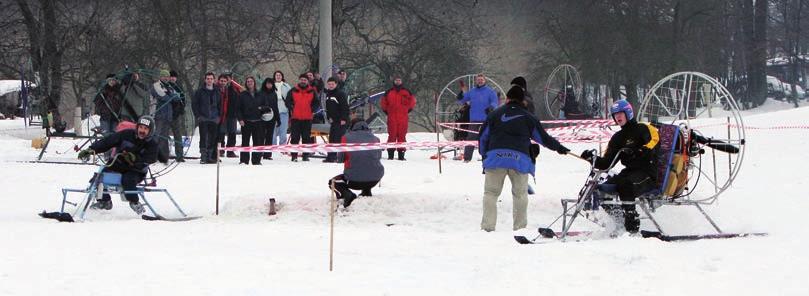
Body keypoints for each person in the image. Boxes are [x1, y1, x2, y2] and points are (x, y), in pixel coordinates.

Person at [478, 86, 569, 232]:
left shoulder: (494, 115)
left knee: (490, 193)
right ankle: (520, 228)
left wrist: (484, 155)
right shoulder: (529, 117)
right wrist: (559, 148)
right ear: (523, 101)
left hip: (495, 159)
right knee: (520, 195)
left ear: (507, 99)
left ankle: (488, 227)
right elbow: (543, 138)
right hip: (519, 160)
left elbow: (483, 137)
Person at [580, 99, 659, 234]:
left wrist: (639, 151)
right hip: (628, 172)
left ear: (628, 113)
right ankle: (620, 221)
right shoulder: (617, 137)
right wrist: (591, 158)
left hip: (646, 172)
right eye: (615, 115)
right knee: (600, 189)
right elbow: (606, 163)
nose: (618, 117)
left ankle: (632, 225)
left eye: (620, 114)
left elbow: (654, 144)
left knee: (625, 184)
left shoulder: (643, 128)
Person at [77, 115, 159, 214]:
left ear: (150, 131)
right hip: (118, 164)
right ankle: (104, 201)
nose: (142, 131)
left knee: (128, 180)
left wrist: (135, 159)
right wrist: (91, 150)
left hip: (136, 170)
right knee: (100, 177)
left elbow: (151, 158)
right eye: (140, 127)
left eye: (145, 129)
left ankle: (134, 202)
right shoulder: (126, 135)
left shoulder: (151, 143)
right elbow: (107, 142)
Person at [328, 118, 384, 208]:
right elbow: (378, 157)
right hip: (375, 178)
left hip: (354, 180)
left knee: (333, 182)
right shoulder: (376, 139)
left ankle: (347, 195)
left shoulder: (346, 138)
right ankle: (366, 191)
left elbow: (340, 159)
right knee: (367, 167)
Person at [458, 74, 499, 163]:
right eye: (478, 80)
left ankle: (488, 157)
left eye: (481, 79)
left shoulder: (490, 91)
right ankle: (467, 158)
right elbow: (462, 100)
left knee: (487, 138)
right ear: (476, 81)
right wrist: (460, 95)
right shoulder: (472, 91)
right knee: (470, 138)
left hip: (486, 120)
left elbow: (495, 102)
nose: (480, 81)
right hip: (474, 119)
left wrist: (491, 107)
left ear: (485, 81)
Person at [284, 74, 319, 162]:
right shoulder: (293, 90)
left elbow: (316, 103)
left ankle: (305, 155)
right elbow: (287, 101)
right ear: (299, 80)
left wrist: (312, 109)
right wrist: (292, 107)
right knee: (295, 138)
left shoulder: (312, 91)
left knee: (306, 138)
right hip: (295, 118)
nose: (303, 81)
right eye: (302, 79)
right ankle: (294, 156)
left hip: (307, 118)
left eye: (305, 80)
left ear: (307, 81)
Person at [380, 76, 416, 160]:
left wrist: (407, 110)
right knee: (391, 136)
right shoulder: (389, 92)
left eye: (399, 80)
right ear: (394, 81)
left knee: (402, 136)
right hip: (392, 117)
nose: (398, 81)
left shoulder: (407, 92)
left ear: (401, 81)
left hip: (403, 118)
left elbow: (412, 102)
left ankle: (401, 155)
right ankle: (390, 155)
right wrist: (387, 112)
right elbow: (383, 103)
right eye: (396, 80)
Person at [237, 76, 271, 165]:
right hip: (246, 122)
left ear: (254, 83)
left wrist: (261, 108)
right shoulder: (242, 95)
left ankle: (256, 160)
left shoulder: (261, 94)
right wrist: (240, 119)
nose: (249, 83)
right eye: (248, 81)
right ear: (246, 83)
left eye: (251, 81)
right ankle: (244, 160)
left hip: (258, 122)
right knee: (245, 142)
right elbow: (238, 109)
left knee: (258, 142)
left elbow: (267, 107)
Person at [150, 69, 180, 164]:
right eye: (164, 76)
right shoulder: (156, 85)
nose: (166, 78)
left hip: (168, 115)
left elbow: (177, 97)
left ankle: (162, 156)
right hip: (158, 114)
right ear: (160, 77)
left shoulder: (170, 86)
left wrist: (171, 96)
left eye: (167, 76)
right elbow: (162, 96)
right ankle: (152, 155)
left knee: (164, 137)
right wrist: (171, 96)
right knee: (156, 135)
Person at [192, 72, 222, 164]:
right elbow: (194, 104)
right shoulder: (200, 91)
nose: (209, 80)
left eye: (211, 78)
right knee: (204, 137)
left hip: (214, 118)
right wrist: (198, 116)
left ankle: (209, 156)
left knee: (212, 138)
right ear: (205, 80)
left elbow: (220, 104)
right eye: (208, 78)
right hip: (203, 118)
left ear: (214, 80)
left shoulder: (217, 91)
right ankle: (203, 157)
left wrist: (218, 116)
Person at [323, 77, 350, 163]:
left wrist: (344, 119)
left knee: (338, 139)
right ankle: (331, 157)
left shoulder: (340, 94)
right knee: (332, 139)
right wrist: (328, 117)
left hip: (341, 121)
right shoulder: (328, 94)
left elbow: (345, 107)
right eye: (329, 84)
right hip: (333, 121)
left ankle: (340, 157)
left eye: (332, 84)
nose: (331, 86)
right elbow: (328, 107)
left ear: (336, 84)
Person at [217, 74, 242, 158]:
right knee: (221, 133)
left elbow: (238, 98)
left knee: (232, 133)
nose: (226, 81)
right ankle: (221, 150)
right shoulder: (219, 88)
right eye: (224, 79)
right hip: (222, 114)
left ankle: (230, 151)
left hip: (232, 114)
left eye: (228, 79)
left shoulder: (234, 88)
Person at [259, 77, 281, 160]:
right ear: (265, 84)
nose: (269, 85)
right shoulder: (260, 93)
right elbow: (258, 105)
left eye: (270, 83)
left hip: (272, 118)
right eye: (267, 83)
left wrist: (278, 119)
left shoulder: (274, 94)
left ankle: (267, 154)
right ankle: (259, 152)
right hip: (262, 117)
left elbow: (276, 107)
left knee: (269, 136)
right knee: (261, 136)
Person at [167, 70, 187, 162]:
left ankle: (179, 155)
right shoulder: (166, 86)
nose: (172, 78)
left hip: (176, 115)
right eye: (171, 76)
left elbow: (183, 100)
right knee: (164, 134)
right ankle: (164, 153)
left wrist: (181, 109)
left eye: (174, 77)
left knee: (177, 136)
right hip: (166, 114)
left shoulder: (179, 88)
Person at [272, 71, 292, 152]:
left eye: (280, 75)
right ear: (274, 76)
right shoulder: (271, 86)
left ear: (282, 76)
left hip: (284, 111)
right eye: (276, 75)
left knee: (283, 131)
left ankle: (283, 147)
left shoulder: (287, 86)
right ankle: (273, 147)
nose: (278, 76)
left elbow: (290, 98)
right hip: (273, 112)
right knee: (272, 131)